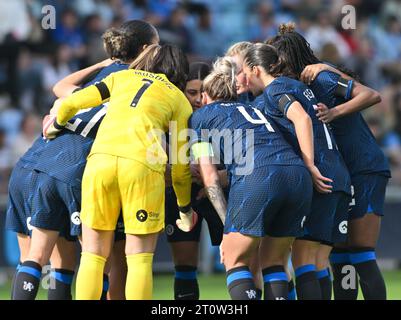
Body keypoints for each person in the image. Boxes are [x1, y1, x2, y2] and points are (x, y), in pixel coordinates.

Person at [7, 20, 160, 300]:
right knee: (94, 256)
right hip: (75, 168)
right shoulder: (139, 86)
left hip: (34, 161)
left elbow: (60, 90)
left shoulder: (101, 80)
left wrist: (103, 64)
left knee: (38, 256)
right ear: (145, 49)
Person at [44, 44, 196, 300]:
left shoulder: (120, 77)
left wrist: (56, 126)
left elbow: (70, 103)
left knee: (92, 253)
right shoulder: (180, 101)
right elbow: (180, 167)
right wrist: (184, 208)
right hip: (142, 168)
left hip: (100, 163)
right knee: (139, 259)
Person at [268, 23, 390, 300]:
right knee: (337, 252)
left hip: (364, 167)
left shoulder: (319, 78)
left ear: (287, 58)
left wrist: (334, 112)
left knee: (360, 251)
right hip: (342, 172)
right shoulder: (296, 89)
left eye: (276, 61)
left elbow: (372, 95)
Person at [189, 57, 313, 300]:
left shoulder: (199, 118)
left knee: (235, 260)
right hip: (297, 174)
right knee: (275, 262)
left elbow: (210, 176)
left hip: (260, 176)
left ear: (205, 96)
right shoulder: (254, 109)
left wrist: (227, 226)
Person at [243, 43, 351, 300]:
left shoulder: (275, 89)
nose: (243, 78)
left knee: (303, 261)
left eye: (244, 71)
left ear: (256, 69)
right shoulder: (300, 86)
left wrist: (309, 164)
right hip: (339, 175)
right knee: (318, 261)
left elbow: (300, 118)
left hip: (320, 175)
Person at [164, 62, 226, 300]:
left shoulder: (222, 116)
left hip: (219, 192)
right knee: (185, 264)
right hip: (181, 196)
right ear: (181, 91)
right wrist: (180, 169)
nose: (199, 99)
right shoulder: (167, 118)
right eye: (192, 93)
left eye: (204, 92)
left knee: (240, 260)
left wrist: (220, 175)